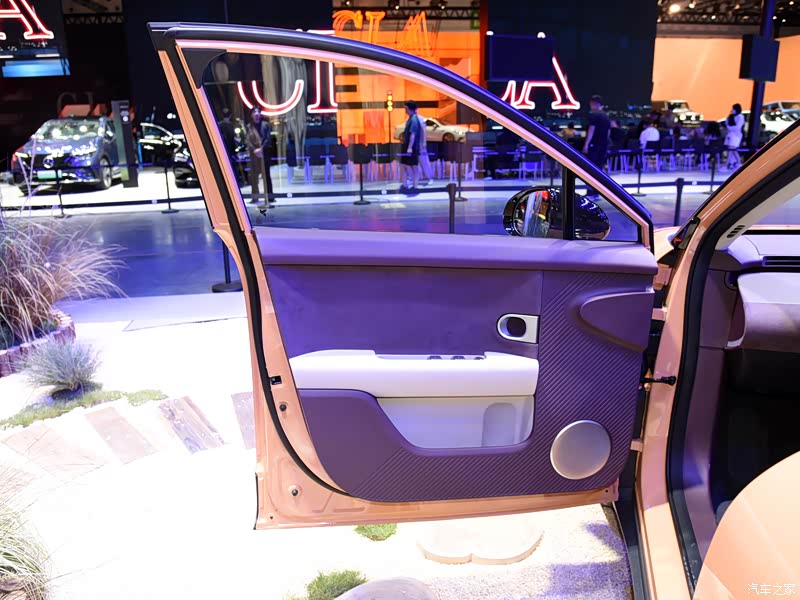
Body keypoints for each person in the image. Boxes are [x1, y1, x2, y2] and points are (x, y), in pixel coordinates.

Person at [582, 95, 610, 196]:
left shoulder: (593, 115)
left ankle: (590, 192)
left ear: (594, 104)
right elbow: (608, 132)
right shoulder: (606, 116)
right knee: (599, 169)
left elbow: (591, 130)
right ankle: (597, 192)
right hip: (603, 145)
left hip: (593, 145)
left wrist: (586, 144)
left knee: (590, 169)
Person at [246, 108, 274, 205]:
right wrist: (254, 150)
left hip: (264, 153)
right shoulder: (249, 127)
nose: (256, 114)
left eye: (258, 112)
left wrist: (261, 149)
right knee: (254, 177)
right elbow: (247, 140)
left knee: (266, 176)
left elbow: (268, 139)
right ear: (251, 115)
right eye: (254, 112)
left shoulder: (266, 125)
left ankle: (270, 197)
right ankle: (255, 198)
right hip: (254, 155)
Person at [401, 99, 422, 192]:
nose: (405, 110)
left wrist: (409, 148)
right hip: (409, 146)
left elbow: (413, 134)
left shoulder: (414, 120)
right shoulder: (410, 119)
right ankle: (407, 184)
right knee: (405, 165)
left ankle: (415, 185)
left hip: (412, 147)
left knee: (414, 166)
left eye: (406, 108)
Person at [724, 103, 745, 170]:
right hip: (730, 135)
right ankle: (736, 163)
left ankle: (727, 165)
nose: (732, 110)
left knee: (732, 149)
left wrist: (730, 127)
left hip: (736, 135)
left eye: (733, 109)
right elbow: (727, 124)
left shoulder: (740, 116)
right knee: (732, 150)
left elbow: (738, 127)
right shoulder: (731, 117)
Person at [415, 110, 433, 184]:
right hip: (414, 145)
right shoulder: (410, 120)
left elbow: (424, 131)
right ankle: (416, 178)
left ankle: (429, 178)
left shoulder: (420, 119)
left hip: (420, 145)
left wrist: (424, 142)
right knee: (415, 163)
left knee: (424, 161)